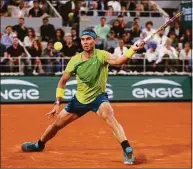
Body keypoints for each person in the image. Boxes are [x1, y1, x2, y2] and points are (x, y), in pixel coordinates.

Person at [21, 29, 145, 165]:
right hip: (79, 100)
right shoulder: (75, 61)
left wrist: (132, 49)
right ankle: (39, 145)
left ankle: (127, 149)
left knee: (110, 117)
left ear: (95, 40)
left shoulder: (102, 55)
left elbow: (119, 60)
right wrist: (57, 102)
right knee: (56, 125)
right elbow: (62, 81)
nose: (85, 42)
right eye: (83, 39)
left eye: (88, 39)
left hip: (98, 98)